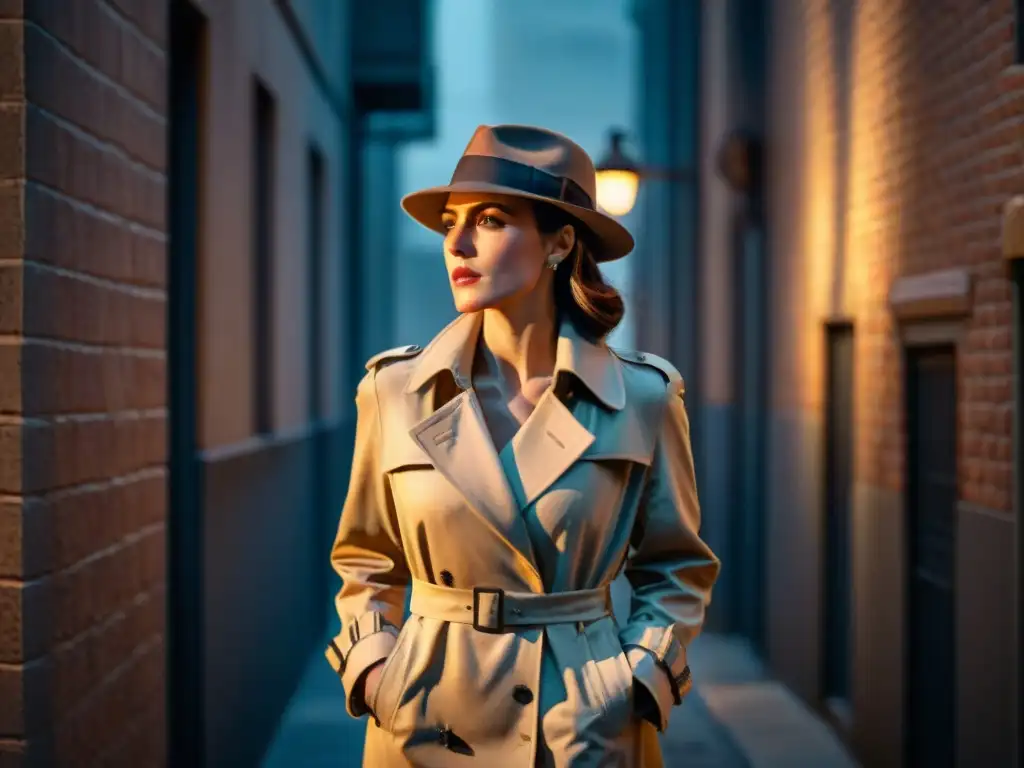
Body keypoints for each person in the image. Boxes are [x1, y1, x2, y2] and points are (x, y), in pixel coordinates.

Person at [324, 124, 720, 767]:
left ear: (560, 241)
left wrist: (637, 681)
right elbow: (365, 561)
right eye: (451, 221)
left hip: (583, 728)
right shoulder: (394, 391)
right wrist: (376, 673)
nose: (457, 242)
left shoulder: (642, 398)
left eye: (489, 219)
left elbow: (678, 566)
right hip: (426, 722)